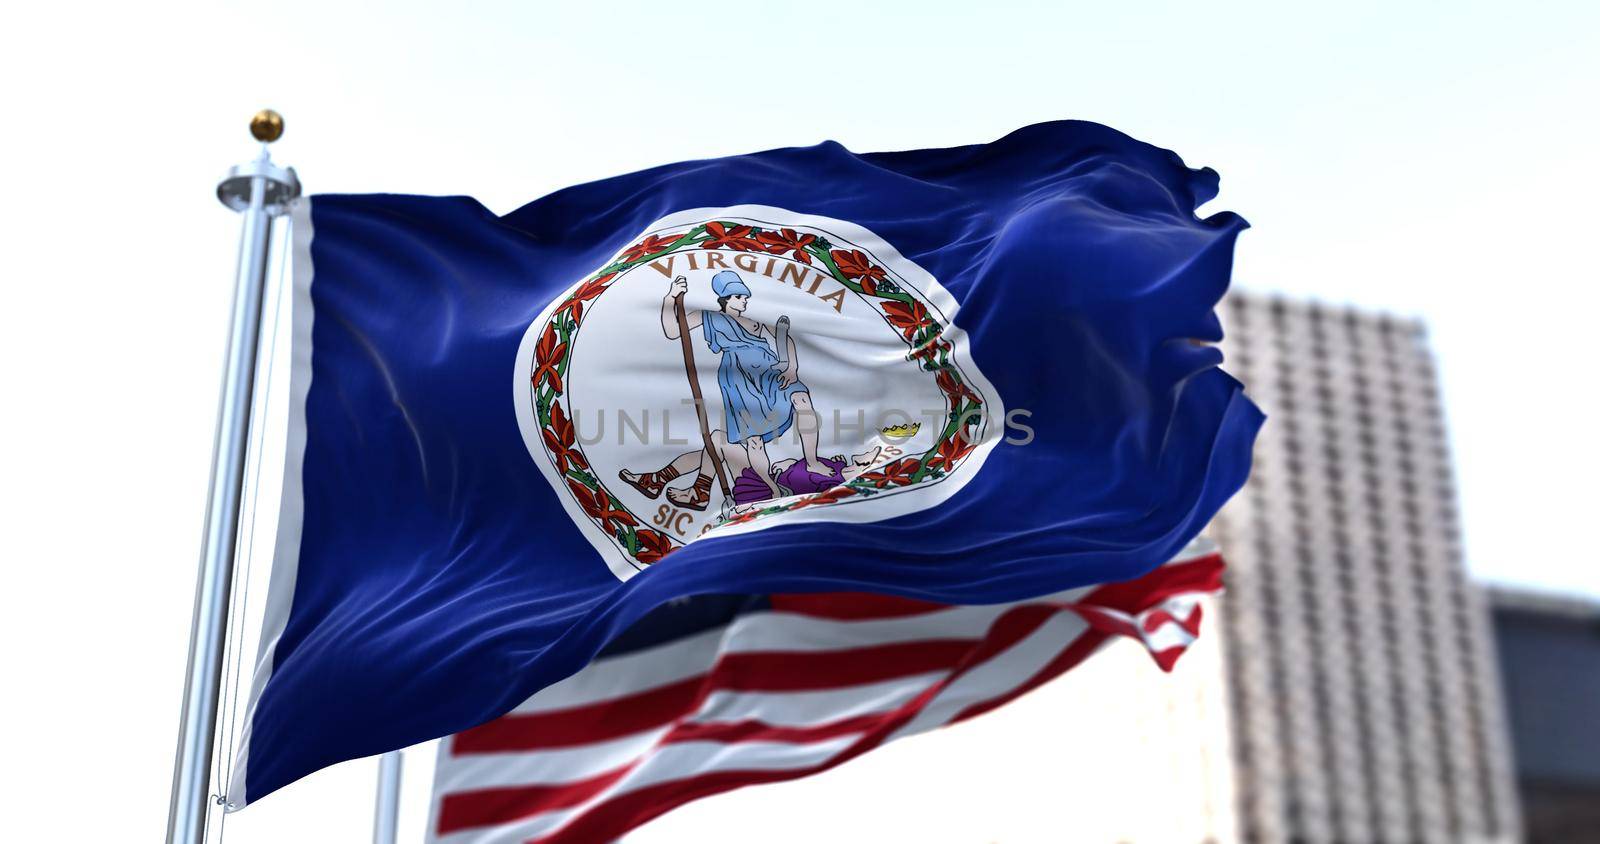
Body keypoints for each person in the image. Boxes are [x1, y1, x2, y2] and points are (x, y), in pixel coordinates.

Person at [618, 271, 829, 509]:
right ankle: (767, 490)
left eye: (745, 296)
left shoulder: (756, 320)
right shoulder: (709, 317)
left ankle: (811, 461)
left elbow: (784, 338)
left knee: (801, 398)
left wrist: (791, 366)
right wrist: (670, 297)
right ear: (726, 298)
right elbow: (673, 331)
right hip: (740, 378)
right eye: (739, 296)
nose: (745, 301)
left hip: (770, 373)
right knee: (750, 440)